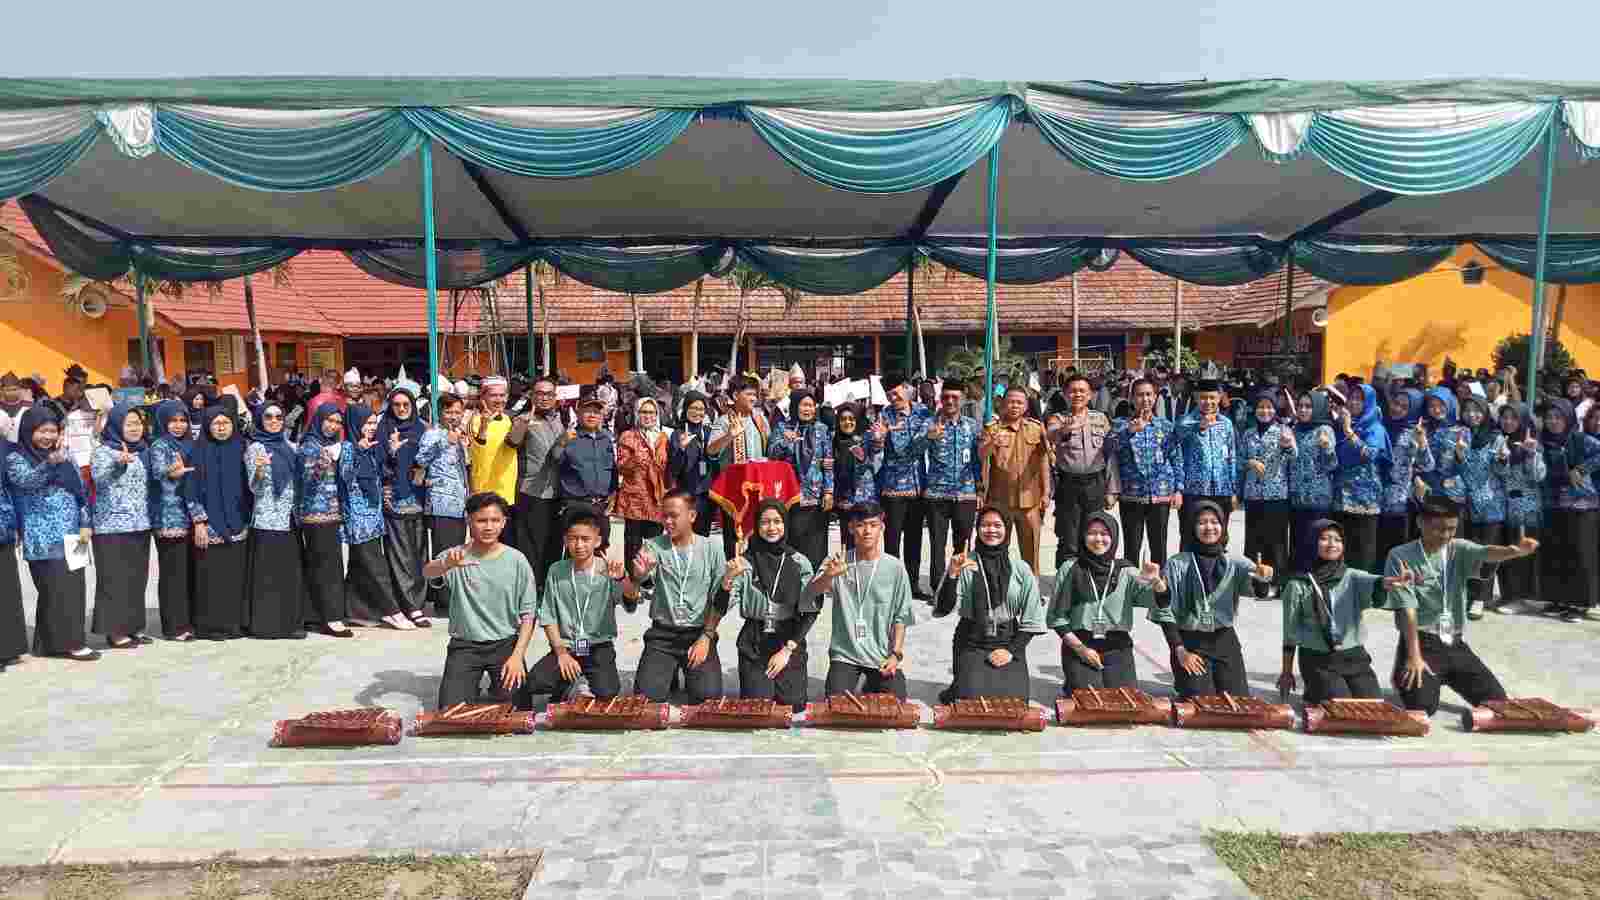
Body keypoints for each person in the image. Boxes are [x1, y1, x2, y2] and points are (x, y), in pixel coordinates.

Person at [1385, 498, 1539, 715]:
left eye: (1451, 529)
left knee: (1497, 702)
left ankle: (1447, 675)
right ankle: (1405, 674)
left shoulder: (1458, 548)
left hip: (1454, 642)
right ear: (1420, 522)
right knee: (1423, 708)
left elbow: (1487, 552)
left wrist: (1515, 551)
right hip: (1422, 642)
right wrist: (1413, 656)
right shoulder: (1400, 555)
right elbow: (1406, 609)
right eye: (1439, 529)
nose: (1446, 535)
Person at [1277, 519, 1417, 704]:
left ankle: (1322, 691)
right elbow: (1290, 633)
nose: (1332, 544)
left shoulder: (1350, 576)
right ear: (1311, 542)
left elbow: (1374, 581)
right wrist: (1287, 673)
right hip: (1319, 659)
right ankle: (1315, 691)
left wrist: (1389, 582)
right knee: (1340, 704)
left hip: (1354, 657)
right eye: (1324, 538)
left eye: (1337, 540)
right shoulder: (1297, 584)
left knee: (1372, 705)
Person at [424, 492, 538, 709]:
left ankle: (498, 687)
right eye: (481, 520)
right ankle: (469, 685)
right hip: (465, 646)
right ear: (469, 521)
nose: (488, 527)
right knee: (451, 711)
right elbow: (427, 573)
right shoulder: (455, 556)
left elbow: (528, 614)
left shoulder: (517, 560)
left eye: (495, 520)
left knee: (519, 710)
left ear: (504, 522)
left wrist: (517, 656)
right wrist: (445, 565)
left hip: (505, 644)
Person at [1149, 501, 1273, 698]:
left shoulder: (1235, 562)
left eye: (1214, 522)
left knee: (1238, 698)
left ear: (1223, 526)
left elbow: (1258, 592)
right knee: (1200, 698)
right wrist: (1179, 650)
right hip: (1191, 641)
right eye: (1202, 522)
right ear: (1192, 528)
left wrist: (1263, 579)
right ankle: (1183, 680)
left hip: (1223, 639)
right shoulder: (1177, 563)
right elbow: (1164, 611)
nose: (1209, 527)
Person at [8, 409, 97, 660]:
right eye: (42, 430)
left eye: (53, 431)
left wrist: (85, 523)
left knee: (75, 589)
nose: (48, 436)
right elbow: (26, 481)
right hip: (43, 537)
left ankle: (50, 644)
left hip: (74, 535)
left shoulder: (65, 455)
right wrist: (50, 463)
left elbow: (80, 491)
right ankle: (70, 644)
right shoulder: (17, 458)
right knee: (55, 591)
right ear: (29, 431)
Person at [625, 491, 729, 703]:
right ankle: (666, 670)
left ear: (691, 516)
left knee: (707, 697)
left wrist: (706, 637)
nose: (668, 521)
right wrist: (639, 576)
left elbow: (720, 598)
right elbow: (639, 591)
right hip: (663, 634)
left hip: (698, 633)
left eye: (674, 515)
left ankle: (689, 673)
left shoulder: (711, 548)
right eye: (664, 516)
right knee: (647, 698)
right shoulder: (653, 546)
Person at [524, 508, 636, 703]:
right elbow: (548, 616)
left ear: (597, 541)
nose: (579, 545)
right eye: (573, 538)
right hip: (567, 645)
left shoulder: (608, 569)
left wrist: (622, 578)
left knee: (607, 691)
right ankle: (567, 683)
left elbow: (631, 601)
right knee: (536, 682)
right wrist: (560, 653)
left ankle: (582, 679)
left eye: (585, 539)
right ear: (566, 540)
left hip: (598, 645)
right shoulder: (556, 571)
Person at [934, 507, 1045, 699]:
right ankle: (961, 682)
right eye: (985, 525)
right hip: (972, 638)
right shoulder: (965, 563)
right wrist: (952, 574)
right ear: (977, 529)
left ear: (1006, 530)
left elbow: (1032, 618)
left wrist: (1010, 651)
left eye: (997, 525)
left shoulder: (1020, 568)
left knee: (1015, 701)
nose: (991, 530)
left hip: (1008, 638)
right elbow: (943, 608)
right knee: (971, 699)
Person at [807, 503, 913, 699]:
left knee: (896, 701)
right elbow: (811, 593)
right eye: (861, 525)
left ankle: (870, 685)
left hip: (880, 655)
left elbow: (902, 616)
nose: (867, 531)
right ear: (850, 527)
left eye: (873, 525)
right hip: (845, 654)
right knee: (836, 702)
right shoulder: (837, 561)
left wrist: (895, 654)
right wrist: (829, 575)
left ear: (882, 527)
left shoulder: (895, 568)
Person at [1048, 512, 1161, 693]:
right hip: (1080, 642)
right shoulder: (1070, 568)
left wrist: (1156, 582)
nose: (1098, 539)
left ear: (1114, 537)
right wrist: (1081, 649)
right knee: (1087, 696)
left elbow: (1158, 602)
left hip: (1116, 644)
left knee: (1123, 697)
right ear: (1083, 536)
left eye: (1104, 534)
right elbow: (1056, 618)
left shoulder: (1126, 571)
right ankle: (1074, 678)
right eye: (1092, 533)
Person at [729, 500, 819, 711]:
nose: (771, 528)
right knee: (758, 705)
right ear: (757, 527)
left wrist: (788, 650)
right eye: (765, 522)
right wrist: (725, 581)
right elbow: (724, 603)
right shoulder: (745, 562)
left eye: (777, 521)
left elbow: (811, 611)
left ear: (786, 525)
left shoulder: (799, 561)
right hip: (755, 639)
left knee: (793, 704)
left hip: (788, 638)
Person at [89, 403, 153, 649]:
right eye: (129, 424)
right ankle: (115, 630)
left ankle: (133, 626)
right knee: (114, 579)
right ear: (116, 425)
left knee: (136, 578)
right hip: (111, 525)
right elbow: (100, 479)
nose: (135, 428)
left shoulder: (143, 450)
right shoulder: (103, 451)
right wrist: (119, 464)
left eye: (138, 423)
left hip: (139, 523)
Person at [185, 405, 250, 640]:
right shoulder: (198, 451)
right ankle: (211, 627)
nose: (221, 427)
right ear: (207, 426)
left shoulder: (241, 448)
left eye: (225, 423)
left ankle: (234, 625)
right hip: (210, 524)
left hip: (238, 523)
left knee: (235, 577)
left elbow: (249, 486)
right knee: (211, 578)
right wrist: (199, 522)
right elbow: (190, 489)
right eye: (216, 423)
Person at [341, 404, 407, 628]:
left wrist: (392, 452)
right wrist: (358, 452)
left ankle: (355, 612)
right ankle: (392, 611)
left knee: (359, 567)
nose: (371, 427)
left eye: (373, 422)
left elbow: (381, 474)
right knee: (376, 567)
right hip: (359, 519)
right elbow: (347, 477)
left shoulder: (370, 447)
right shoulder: (349, 447)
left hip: (373, 515)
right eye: (366, 423)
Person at [244, 403, 304, 639]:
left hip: (289, 519)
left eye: (279, 416)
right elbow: (254, 488)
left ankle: (289, 624)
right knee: (267, 578)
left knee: (288, 576)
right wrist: (258, 471)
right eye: (268, 417)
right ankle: (266, 626)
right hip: (266, 519)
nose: (274, 420)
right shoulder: (255, 449)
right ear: (260, 420)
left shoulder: (291, 446)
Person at [1538, 398, 1600, 621]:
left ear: (1568, 419)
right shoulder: (1543, 442)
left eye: (1558, 417)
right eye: (1549, 417)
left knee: (1580, 554)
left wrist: (1582, 469)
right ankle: (1558, 599)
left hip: (1582, 506)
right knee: (1557, 553)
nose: (1553, 422)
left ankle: (1580, 603)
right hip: (1553, 505)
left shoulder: (1580, 439)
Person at [979, 387, 1053, 572]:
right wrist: (990, 443)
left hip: (1030, 501)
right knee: (996, 549)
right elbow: (981, 457)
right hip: (999, 500)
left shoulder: (1036, 428)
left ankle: (1032, 591)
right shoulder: (992, 428)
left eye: (1019, 402)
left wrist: (1046, 491)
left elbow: (1045, 460)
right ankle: (998, 589)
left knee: (1031, 550)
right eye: (1011, 401)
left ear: (1026, 406)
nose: (1015, 406)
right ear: (1003, 404)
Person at [1051, 374, 1118, 567]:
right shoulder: (1058, 418)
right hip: (1068, 485)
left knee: (1094, 532)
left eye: (1082, 391)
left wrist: (1112, 489)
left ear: (1090, 395)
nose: (1077, 394)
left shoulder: (1101, 419)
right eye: (1072, 391)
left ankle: (1093, 576)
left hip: (1095, 483)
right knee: (1068, 537)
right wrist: (1066, 429)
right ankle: (1066, 581)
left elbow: (1109, 456)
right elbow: (1051, 435)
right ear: (1065, 394)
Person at [376, 387, 430, 625]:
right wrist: (391, 452)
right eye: (396, 405)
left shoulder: (421, 429)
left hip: (418, 499)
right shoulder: (383, 429)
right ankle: (408, 604)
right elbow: (377, 464)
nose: (401, 409)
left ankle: (418, 601)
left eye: (406, 405)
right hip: (394, 500)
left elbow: (429, 461)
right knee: (400, 554)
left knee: (418, 553)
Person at [414, 393, 472, 614]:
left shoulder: (460, 435)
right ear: (440, 412)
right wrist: (444, 441)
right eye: (449, 412)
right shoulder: (433, 434)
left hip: (459, 502)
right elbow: (420, 460)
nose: (453, 416)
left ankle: (453, 595)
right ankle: (442, 600)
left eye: (457, 412)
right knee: (444, 552)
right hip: (441, 501)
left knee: (457, 551)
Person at [297, 404, 352, 637]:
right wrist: (325, 460)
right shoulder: (309, 446)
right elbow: (307, 480)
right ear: (319, 420)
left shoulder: (332, 445)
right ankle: (331, 617)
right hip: (315, 515)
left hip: (333, 514)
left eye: (338, 422)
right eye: (329, 420)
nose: (333, 425)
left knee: (329, 565)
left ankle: (316, 615)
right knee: (326, 566)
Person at [922, 379, 982, 592]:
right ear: (940, 399)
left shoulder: (972, 426)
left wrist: (979, 488)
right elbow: (914, 451)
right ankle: (938, 587)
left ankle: (960, 585)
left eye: (954, 397)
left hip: (965, 493)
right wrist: (928, 437)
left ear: (962, 399)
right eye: (946, 397)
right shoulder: (930, 424)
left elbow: (977, 459)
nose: (950, 401)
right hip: (936, 493)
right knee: (937, 544)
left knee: (963, 543)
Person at [507, 377, 567, 592]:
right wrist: (522, 424)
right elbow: (512, 442)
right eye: (539, 393)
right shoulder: (523, 419)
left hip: (558, 492)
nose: (544, 398)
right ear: (532, 396)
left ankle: (548, 591)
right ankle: (530, 593)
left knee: (554, 545)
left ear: (555, 397)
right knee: (531, 548)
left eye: (549, 394)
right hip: (531, 491)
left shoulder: (563, 420)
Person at [874, 379, 931, 597]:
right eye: (889, 395)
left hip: (917, 486)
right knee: (892, 539)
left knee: (914, 538)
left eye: (896, 394)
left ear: (908, 391)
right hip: (893, 487)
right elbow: (881, 445)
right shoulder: (885, 415)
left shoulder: (923, 412)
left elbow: (922, 443)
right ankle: (891, 586)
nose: (893, 399)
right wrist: (879, 438)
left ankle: (913, 584)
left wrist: (899, 437)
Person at [706, 375, 772, 557]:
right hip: (734, 491)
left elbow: (772, 448)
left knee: (759, 534)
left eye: (755, 395)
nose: (754, 398)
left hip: (759, 489)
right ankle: (733, 578)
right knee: (734, 537)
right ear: (735, 395)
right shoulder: (724, 421)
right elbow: (711, 450)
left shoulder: (760, 420)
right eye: (749, 394)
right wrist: (729, 436)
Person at [768, 390, 833, 569]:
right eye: (804, 405)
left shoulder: (822, 429)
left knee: (817, 548)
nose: (808, 409)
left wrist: (828, 491)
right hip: (791, 499)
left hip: (816, 498)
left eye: (811, 405)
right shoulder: (783, 428)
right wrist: (787, 442)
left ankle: (816, 594)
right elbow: (771, 455)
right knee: (793, 547)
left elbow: (828, 463)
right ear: (795, 407)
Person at [1329, 383, 1390, 573]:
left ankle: (1364, 594)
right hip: (1341, 498)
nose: (1354, 402)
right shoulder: (1341, 425)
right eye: (1352, 398)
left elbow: (1370, 453)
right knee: (1341, 549)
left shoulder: (1375, 428)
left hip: (1365, 501)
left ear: (1369, 403)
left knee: (1363, 552)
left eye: (1360, 399)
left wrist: (1349, 431)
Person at [1491, 404, 1544, 613]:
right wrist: (1502, 459)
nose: (1508, 422)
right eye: (1504, 417)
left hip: (1525, 507)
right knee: (1506, 551)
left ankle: (1520, 598)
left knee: (1521, 550)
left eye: (1514, 418)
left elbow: (1537, 475)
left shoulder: (1532, 443)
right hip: (1504, 505)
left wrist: (1531, 454)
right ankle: (1508, 594)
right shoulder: (1500, 441)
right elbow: (1498, 472)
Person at [1173, 380, 1237, 554]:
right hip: (1194, 491)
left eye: (1212, 398)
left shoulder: (1226, 424)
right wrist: (1178, 488)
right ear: (1196, 398)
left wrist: (1233, 490)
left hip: (1221, 491)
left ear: (1219, 398)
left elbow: (1231, 457)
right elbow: (1176, 453)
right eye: (1203, 398)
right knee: (1189, 536)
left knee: (1220, 536)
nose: (1208, 402)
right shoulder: (1184, 422)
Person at [1240, 390, 1293, 592]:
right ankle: (1256, 583)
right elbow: (1239, 460)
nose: (1265, 411)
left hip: (1276, 494)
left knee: (1277, 541)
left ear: (1275, 409)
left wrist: (1288, 446)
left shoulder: (1284, 430)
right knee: (1254, 539)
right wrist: (1249, 462)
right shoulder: (1248, 433)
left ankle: (1278, 582)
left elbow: (1293, 456)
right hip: (1253, 494)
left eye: (1269, 407)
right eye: (1261, 406)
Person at [1376, 388, 1433, 567]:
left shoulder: (1414, 432)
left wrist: (1422, 443)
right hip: (1374, 499)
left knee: (1396, 551)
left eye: (1404, 406)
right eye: (1396, 403)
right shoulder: (1380, 425)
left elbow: (1428, 465)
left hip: (1398, 501)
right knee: (1376, 551)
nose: (1397, 408)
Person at [616, 396, 673, 571]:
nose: (648, 416)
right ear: (636, 414)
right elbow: (621, 466)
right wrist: (634, 459)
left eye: (652, 412)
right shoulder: (627, 436)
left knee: (653, 542)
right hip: (634, 499)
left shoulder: (665, 437)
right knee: (633, 542)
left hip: (656, 498)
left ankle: (648, 579)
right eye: (643, 412)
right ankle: (633, 581)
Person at [1287, 391, 1339, 573]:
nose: (1303, 410)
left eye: (1308, 406)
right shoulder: (1294, 429)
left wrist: (1327, 448)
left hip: (1318, 497)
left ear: (1317, 408)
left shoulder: (1325, 430)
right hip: (1297, 496)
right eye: (1300, 406)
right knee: (1297, 539)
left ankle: (1318, 577)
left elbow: (1332, 465)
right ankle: (1296, 577)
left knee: (1318, 539)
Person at [557, 396, 618, 547]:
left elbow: (612, 469)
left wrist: (614, 493)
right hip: (577, 504)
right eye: (587, 411)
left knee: (601, 547)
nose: (592, 415)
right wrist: (562, 443)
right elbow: (554, 460)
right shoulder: (570, 437)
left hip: (601, 506)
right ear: (578, 414)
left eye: (596, 412)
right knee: (577, 550)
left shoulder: (607, 439)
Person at [829, 402, 882, 552]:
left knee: (866, 541)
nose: (847, 422)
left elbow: (877, 461)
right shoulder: (834, 441)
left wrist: (875, 443)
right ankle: (849, 574)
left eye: (851, 419)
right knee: (847, 543)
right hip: (843, 501)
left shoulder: (866, 438)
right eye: (843, 419)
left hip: (864, 500)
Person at [667, 391, 718, 537]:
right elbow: (674, 469)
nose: (697, 413)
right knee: (685, 535)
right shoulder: (678, 433)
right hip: (687, 494)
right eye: (693, 408)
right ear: (685, 409)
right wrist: (682, 448)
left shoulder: (709, 432)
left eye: (701, 409)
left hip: (707, 494)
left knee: (703, 536)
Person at [466, 376, 519, 505]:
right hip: (484, 489)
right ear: (483, 397)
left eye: (502, 395)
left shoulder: (508, 419)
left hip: (507, 488)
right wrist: (484, 425)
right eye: (493, 395)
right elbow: (477, 452)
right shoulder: (474, 420)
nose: (499, 399)